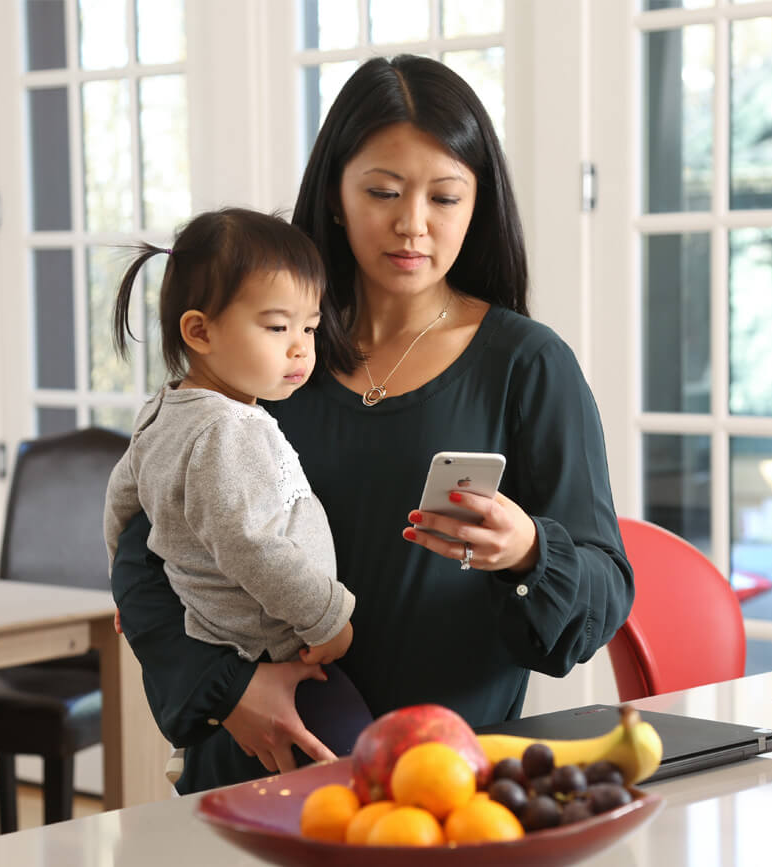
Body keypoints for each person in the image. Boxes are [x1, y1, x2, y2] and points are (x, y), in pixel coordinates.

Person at [111, 55, 634, 795]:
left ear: (477, 205)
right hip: (258, 766)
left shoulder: (526, 364)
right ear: (334, 194)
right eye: (382, 191)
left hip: (444, 787)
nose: (410, 224)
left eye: (444, 197)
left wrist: (527, 550)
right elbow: (142, 556)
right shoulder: (263, 351)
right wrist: (226, 691)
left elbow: (603, 583)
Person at [104, 208, 374, 763]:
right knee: (350, 762)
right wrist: (328, 617)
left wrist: (121, 586)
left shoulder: (162, 410)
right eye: (277, 327)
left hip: (212, 633)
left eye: (309, 327)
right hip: (271, 642)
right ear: (199, 331)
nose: (300, 347)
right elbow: (250, 545)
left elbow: (122, 504)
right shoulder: (229, 430)